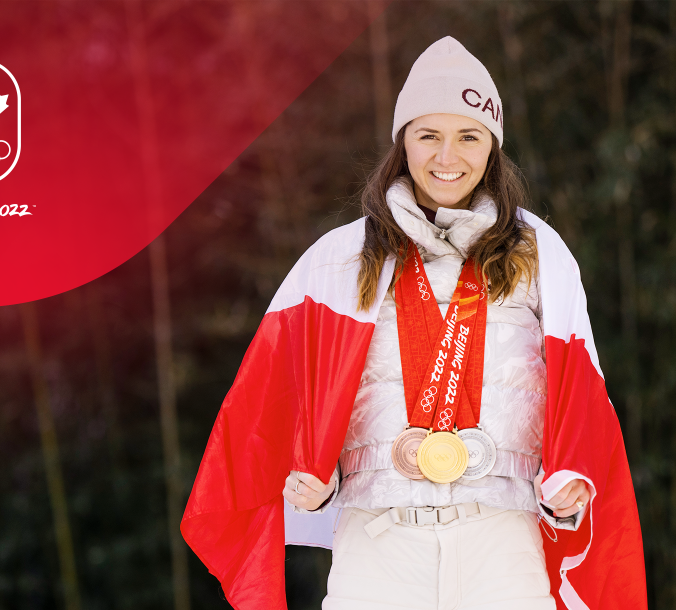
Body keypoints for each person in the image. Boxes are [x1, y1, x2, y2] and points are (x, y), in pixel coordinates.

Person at [181, 36, 646, 610]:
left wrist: (567, 486)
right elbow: (280, 404)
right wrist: (315, 485)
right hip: (379, 550)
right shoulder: (340, 257)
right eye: (429, 136)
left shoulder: (539, 253)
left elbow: (580, 396)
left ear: (493, 148)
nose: (447, 158)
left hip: (502, 548)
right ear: (403, 144)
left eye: (468, 137)